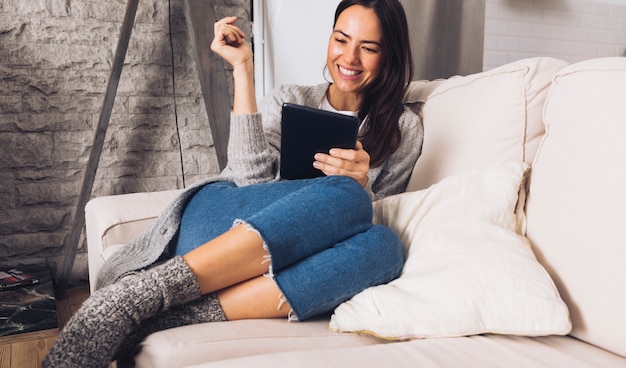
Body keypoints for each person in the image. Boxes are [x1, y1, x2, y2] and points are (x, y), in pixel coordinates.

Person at [43, 0, 423, 366]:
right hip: (219, 223)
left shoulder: (403, 130)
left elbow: (371, 221)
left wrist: (365, 186)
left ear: (389, 54)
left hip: (288, 260)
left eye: (368, 47)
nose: (349, 58)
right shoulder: (290, 99)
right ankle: (139, 295)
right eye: (341, 39)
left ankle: (173, 313)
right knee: (348, 197)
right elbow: (249, 180)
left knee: (385, 248)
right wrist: (243, 68)